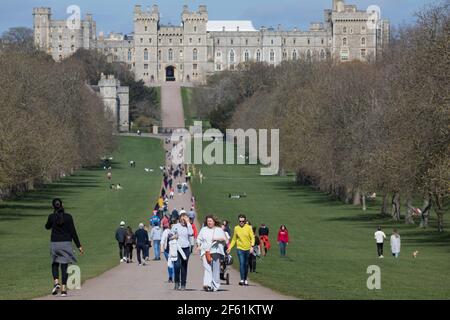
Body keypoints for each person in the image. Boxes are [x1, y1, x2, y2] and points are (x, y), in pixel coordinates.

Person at [45, 198, 83, 297]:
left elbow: (47, 227)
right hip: (66, 243)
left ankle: (56, 282)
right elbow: (73, 232)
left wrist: (51, 219)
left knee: (54, 263)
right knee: (64, 266)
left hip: (55, 243)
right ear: (62, 205)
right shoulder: (68, 217)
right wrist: (79, 245)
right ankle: (64, 290)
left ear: (53, 206)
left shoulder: (51, 217)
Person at [197, 215, 227, 292]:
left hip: (215, 251)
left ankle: (215, 285)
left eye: (210, 221)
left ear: (214, 222)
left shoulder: (218, 230)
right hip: (205, 251)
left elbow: (225, 240)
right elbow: (199, 238)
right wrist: (198, 245)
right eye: (208, 221)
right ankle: (207, 284)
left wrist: (217, 239)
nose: (209, 222)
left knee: (215, 269)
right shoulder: (203, 229)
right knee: (207, 267)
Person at [226, 214, 255, 286]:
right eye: (240, 221)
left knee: (246, 264)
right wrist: (229, 248)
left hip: (248, 249)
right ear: (238, 221)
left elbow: (252, 237)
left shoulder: (249, 228)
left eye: (243, 221)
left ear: (245, 221)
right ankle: (242, 280)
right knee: (242, 263)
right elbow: (234, 239)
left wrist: (252, 246)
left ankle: (245, 279)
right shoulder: (236, 228)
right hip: (240, 248)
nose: (241, 222)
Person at [171, 213, 194, 290]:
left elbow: (191, 233)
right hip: (177, 248)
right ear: (180, 218)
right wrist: (173, 236)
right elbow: (170, 236)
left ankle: (183, 284)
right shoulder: (175, 226)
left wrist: (188, 223)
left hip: (186, 248)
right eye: (183, 218)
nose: (184, 219)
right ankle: (177, 282)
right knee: (177, 266)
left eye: (186, 218)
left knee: (184, 267)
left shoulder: (188, 226)